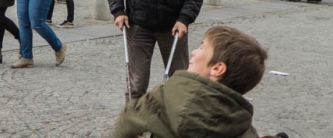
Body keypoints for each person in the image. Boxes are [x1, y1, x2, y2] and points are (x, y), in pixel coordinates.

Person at [112, 25, 268, 138]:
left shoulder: (164, 96)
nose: (193, 52)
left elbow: (127, 122)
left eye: (201, 47)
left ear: (217, 68)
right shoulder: (241, 124)